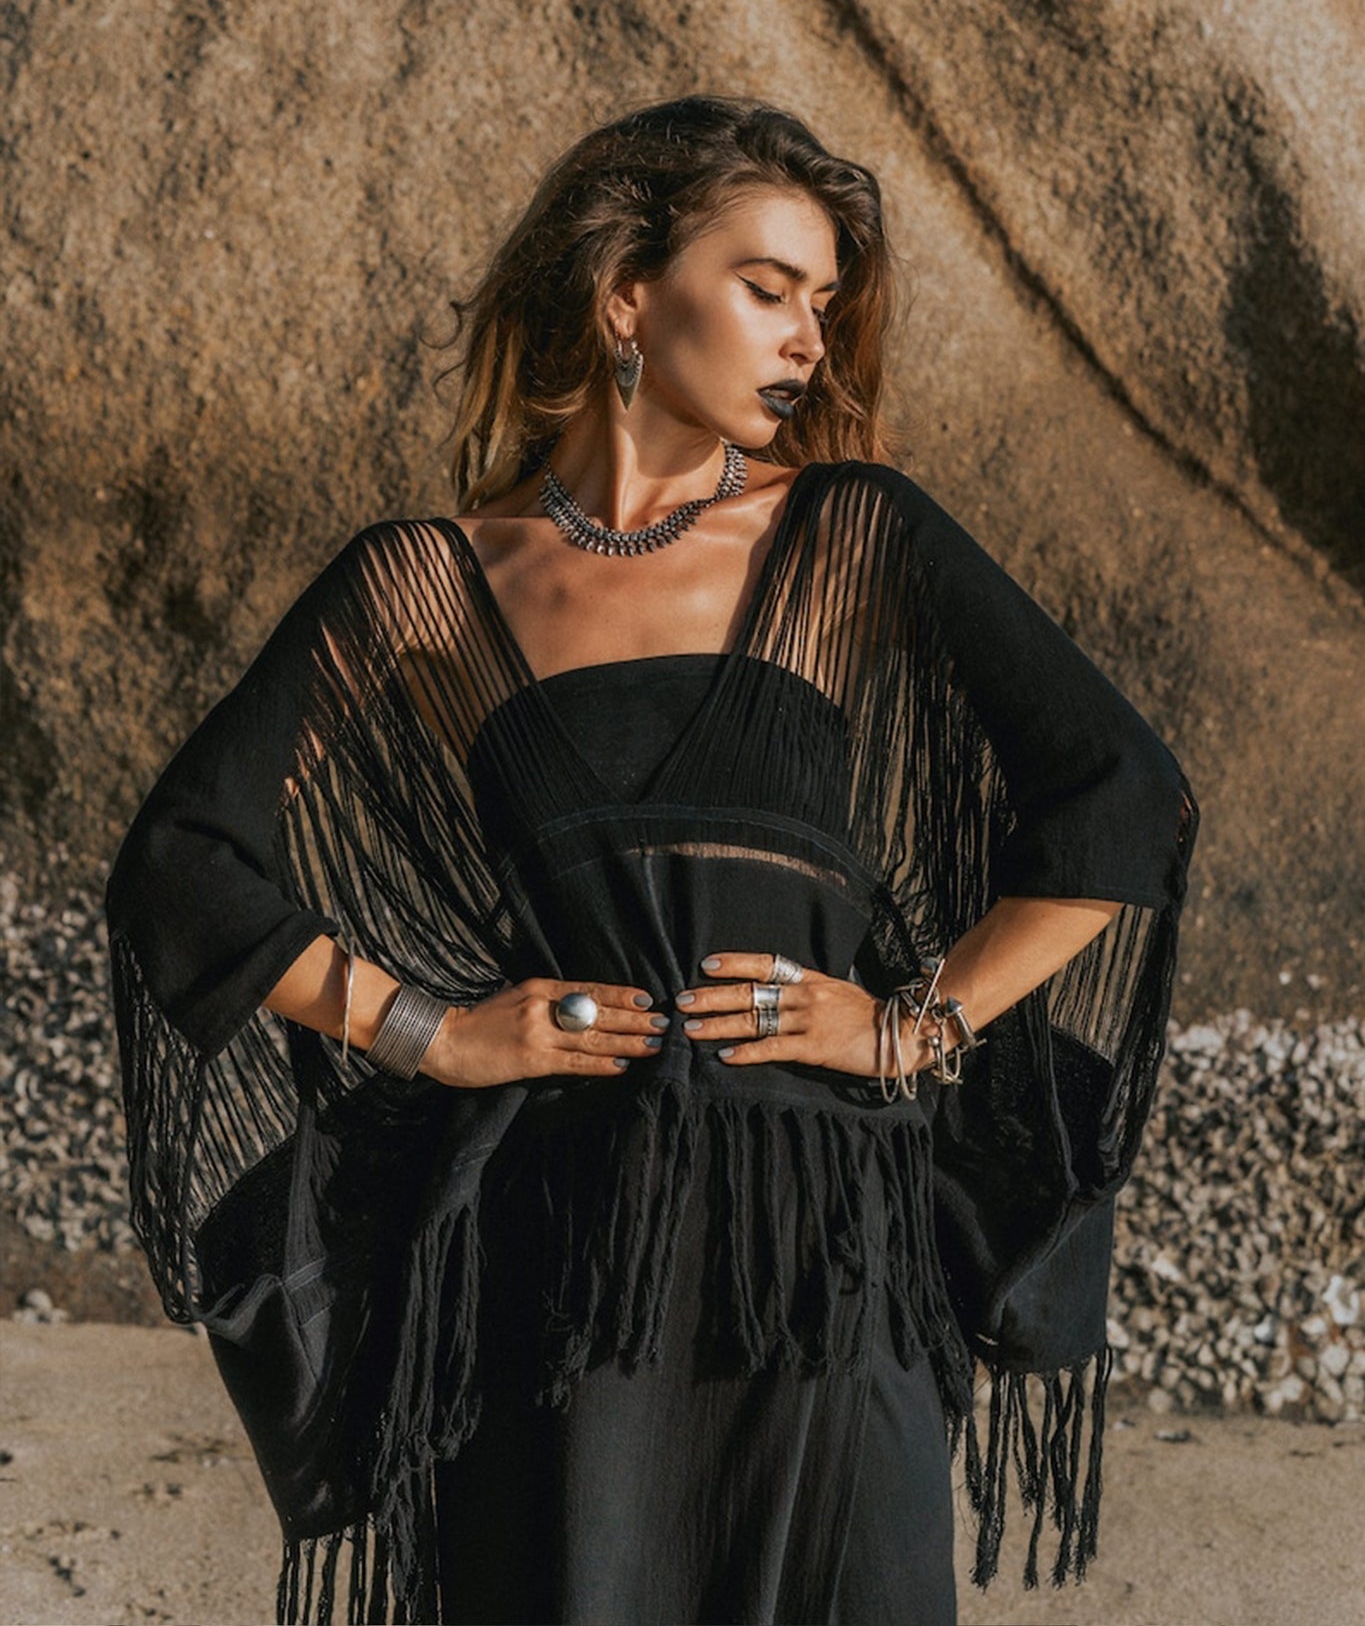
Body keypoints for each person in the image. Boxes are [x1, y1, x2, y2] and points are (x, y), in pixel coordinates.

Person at [106, 95, 1198, 1626]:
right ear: (627, 295)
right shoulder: (428, 583)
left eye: (822, 301)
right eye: (766, 287)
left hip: (819, 1244)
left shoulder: (846, 537)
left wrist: (908, 1027)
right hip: (560, 1250)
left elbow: (1120, 795)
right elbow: (183, 858)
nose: (808, 337)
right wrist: (438, 1030)